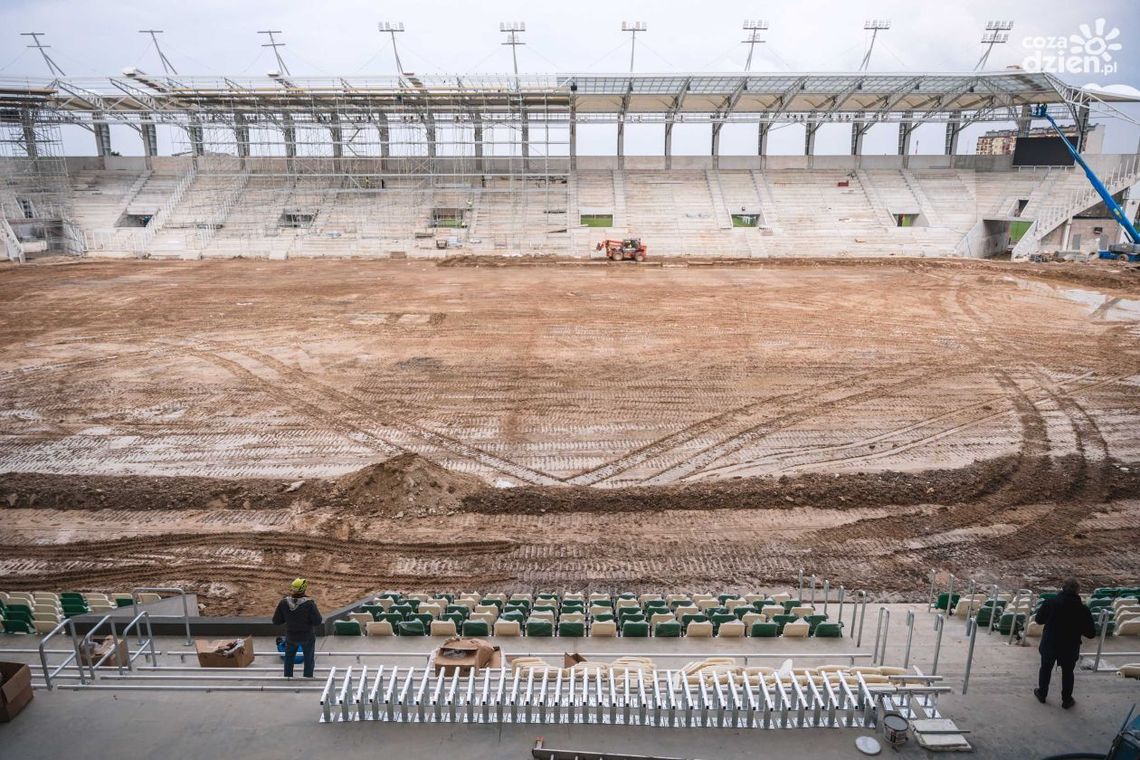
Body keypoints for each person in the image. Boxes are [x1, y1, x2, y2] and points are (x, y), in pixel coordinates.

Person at [1034, 577, 1096, 709]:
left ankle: (1042, 693)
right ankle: (1066, 700)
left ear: (1062, 588)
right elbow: (1091, 633)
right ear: (1077, 591)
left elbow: (1038, 620)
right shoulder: (1082, 609)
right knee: (1068, 673)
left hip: (1049, 643)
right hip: (1070, 646)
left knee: (1045, 668)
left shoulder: (1050, 602)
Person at [272, 578, 323, 678]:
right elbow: (318, 621)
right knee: (309, 659)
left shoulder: (284, 603)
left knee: (289, 658)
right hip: (307, 637)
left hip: (291, 637)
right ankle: (307, 678)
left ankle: (288, 678)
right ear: (304, 589)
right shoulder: (309, 604)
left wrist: (288, 618)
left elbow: (276, 621)